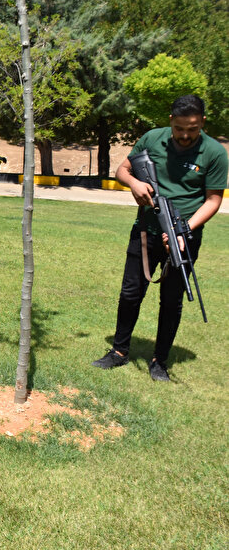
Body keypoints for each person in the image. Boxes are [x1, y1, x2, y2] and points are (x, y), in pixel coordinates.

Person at [92, 94, 227, 382]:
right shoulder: (152, 139)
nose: (186, 135)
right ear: (171, 121)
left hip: (184, 236)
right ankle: (119, 351)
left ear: (203, 121)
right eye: (180, 128)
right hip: (145, 230)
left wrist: (185, 230)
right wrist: (134, 183)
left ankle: (159, 361)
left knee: (172, 300)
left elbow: (213, 200)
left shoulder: (215, 153)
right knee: (131, 293)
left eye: (193, 129)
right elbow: (123, 170)